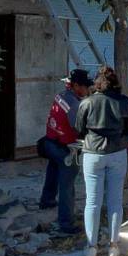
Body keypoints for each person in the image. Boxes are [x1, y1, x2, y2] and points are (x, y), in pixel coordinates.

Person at [74, 66, 128, 256]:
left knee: (92, 202)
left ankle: (91, 247)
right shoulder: (125, 102)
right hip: (117, 152)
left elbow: (79, 130)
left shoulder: (87, 103)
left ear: (97, 84)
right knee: (115, 201)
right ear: (116, 83)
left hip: (92, 154)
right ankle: (113, 246)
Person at [37, 69, 93, 235]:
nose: (87, 90)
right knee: (67, 185)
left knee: (53, 169)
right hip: (64, 147)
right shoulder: (74, 104)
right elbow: (80, 127)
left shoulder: (61, 95)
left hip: (50, 141)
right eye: (85, 87)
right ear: (76, 85)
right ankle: (66, 224)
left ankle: (46, 201)